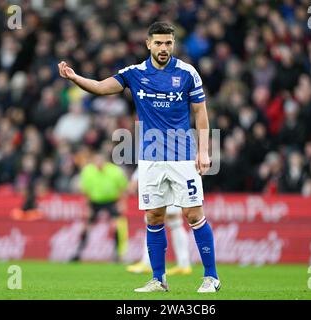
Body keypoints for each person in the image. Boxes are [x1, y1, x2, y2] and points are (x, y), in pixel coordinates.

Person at [58, 21, 220, 293]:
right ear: (148, 44)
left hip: (182, 156)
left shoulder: (187, 73)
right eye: (158, 42)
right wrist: (75, 78)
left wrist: (203, 150)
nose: (163, 48)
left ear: (173, 44)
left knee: (193, 214)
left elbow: (201, 113)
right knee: (154, 217)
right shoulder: (134, 73)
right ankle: (158, 279)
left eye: (168, 43)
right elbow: (99, 87)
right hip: (150, 158)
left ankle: (211, 277)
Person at [126, 167, 192, 275]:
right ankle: (183, 264)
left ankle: (148, 262)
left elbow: (152, 159)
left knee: (160, 220)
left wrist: (135, 177)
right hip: (168, 181)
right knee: (174, 222)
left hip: (166, 182)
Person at [70, 151, 129, 262]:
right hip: (94, 201)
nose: (98, 164)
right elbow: (85, 191)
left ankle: (117, 254)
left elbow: (123, 188)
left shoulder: (115, 171)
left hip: (112, 200)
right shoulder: (88, 171)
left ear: (105, 162)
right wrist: (88, 207)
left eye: (100, 161)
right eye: (96, 161)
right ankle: (78, 252)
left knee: (116, 225)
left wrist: (122, 203)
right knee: (87, 226)